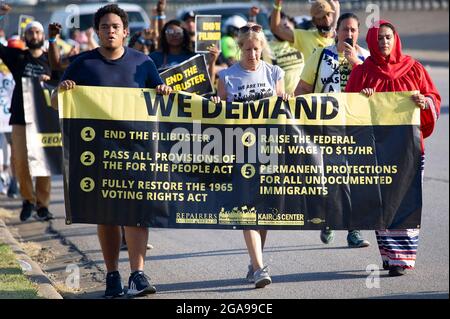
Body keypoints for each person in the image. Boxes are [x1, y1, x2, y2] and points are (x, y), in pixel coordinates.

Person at [50, 4, 172, 297]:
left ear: (125, 31)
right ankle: (112, 275)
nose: (110, 31)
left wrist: (164, 91)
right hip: (98, 153)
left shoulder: (143, 63)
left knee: (137, 213)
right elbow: (55, 102)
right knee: (106, 215)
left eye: (115, 26)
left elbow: (162, 101)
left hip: (136, 151)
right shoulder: (82, 64)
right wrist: (62, 91)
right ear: (97, 32)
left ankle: (138, 275)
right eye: (104, 27)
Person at [345, 20, 441, 276]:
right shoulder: (362, 73)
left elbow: (434, 98)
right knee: (383, 202)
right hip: (377, 150)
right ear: (372, 43)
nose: (384, 42)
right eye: (379, 39)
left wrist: (424, 101)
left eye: (388, 37)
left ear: (395, 39)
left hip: (409, 148)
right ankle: (389, 255)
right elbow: (349, 112)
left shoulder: (414, 68)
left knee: (406, 200)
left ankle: (403, 258)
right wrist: (361, 98)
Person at [210, 23, 289, 288]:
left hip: (269, 151)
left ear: (262, 48)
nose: (253, 54)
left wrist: (285, 98)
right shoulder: (228, 76)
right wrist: (217, 105)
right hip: (239, 151)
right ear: (239, 49)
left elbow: (281, 108)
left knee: (263, 212)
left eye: (256, 49)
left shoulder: (274, 72)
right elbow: (218, 112)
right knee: (249, 210)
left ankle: (255, 262)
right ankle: (258, 267)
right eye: (247, 49)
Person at [296, 12, 371, 248]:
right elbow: (302, 89)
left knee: (355, 180)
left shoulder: (366, 58)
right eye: (345, 29)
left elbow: (378, 91)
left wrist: (356, 64)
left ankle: (350, 228)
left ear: (358, 33)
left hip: (356, 128)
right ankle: (336, 221)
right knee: (336, 177)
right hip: (327, 128)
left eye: (353, 30)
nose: (348, 34)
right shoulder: (320, 56)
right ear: (336, 31)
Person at [0, 4, 54, 222]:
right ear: (25, 36)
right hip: (20, 117)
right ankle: (28, 200)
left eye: (38, 31)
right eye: (30, 32)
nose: (34, 35)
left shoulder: (52, 59)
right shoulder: (18, 58)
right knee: (20, 161)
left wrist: (51, 80)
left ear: (43, 35)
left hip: (45, 120)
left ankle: (43, 205)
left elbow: (64, 79)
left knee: (44, 163)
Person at [271, 0, 340, 62]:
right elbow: (276, 29)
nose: (327, 20)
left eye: (328, 15)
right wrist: (277, 4)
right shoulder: (304, 37)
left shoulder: (340, 37)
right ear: (314, 21)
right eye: (321, 18)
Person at [268, 11, 304, 94]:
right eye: (282, 26)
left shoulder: (300, 41)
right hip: (282, 101)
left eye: (287, 25)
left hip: (304, 99)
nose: (286, 28)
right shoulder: (267, 47)